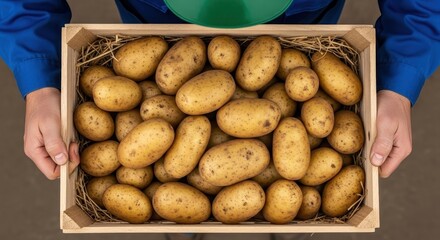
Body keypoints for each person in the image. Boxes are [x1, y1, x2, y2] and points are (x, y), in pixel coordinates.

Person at [0, 0, 438, 182]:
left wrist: (400, 81)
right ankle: (181, 226)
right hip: (157, 16)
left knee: (281, 187)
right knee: (181, 178)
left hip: (302, 16)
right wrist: (39, 80)